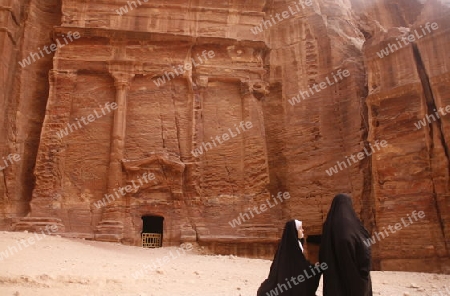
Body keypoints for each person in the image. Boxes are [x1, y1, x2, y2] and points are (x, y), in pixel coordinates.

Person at [319, 193, 373, 296]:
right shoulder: (353, 225)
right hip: (354, 280)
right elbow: (365, 250)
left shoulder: (328, 226)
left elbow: (323, 253)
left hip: (333, 279)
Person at [257, 219, 320, 296]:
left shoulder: (295, 245)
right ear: (295, 231)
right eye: (300, 228)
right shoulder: (292, 248)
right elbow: (299, 266)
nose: (302, 230)